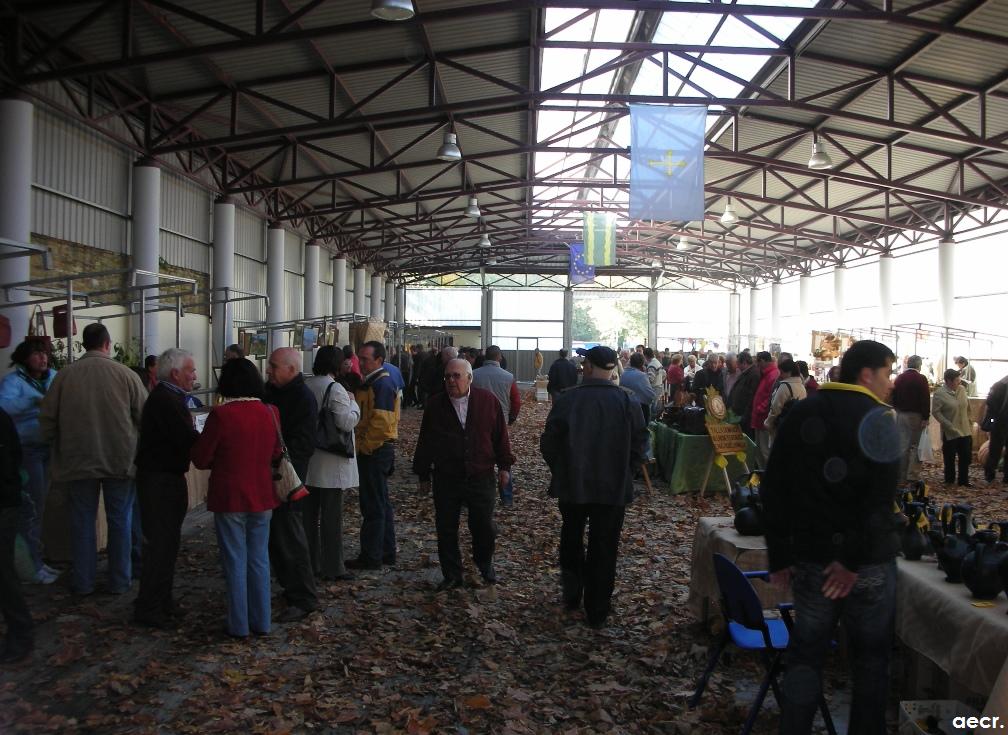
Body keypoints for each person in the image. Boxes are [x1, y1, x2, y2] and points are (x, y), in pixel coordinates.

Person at [762, 340, 901, 735]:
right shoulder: (880, 420)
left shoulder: (804, 411)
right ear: (867, 374)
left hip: (812, 558)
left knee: (805, 657)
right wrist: (852, 561)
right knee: (871, 664)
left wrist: (780, 553)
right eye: (888, 373)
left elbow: (773, 488)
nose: (890, 384)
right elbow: (877, 503)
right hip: (867, 567)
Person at [540, 346, 648, 629]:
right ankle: (598, 608)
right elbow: (641, 443)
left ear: (587, 366)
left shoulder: (568, 399)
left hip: (574, 486)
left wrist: (561, 470)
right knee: (605, 546)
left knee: (572, 538)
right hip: (612, 490)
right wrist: (627, 471)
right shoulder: (628, 401)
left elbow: (549, 442)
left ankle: (573, 595)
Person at [39, 323, 146, 596]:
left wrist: (51, 449)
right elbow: (145, 417)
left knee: (82, 521)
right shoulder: (125, 375)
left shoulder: (64, 377)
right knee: (120, 520)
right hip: (119, 460)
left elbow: (47, 421)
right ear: (108, 344)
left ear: (84, 344)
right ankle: (120, 580)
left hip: (77, 461)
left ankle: (83, 581)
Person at [191, 358, 282, 639]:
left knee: (235, 560)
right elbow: (277, 453)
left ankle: (239, 624)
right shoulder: (271, 412)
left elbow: (201, 458)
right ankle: (262, 621)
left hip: (230, 495)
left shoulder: (221, 415)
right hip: (263, 494)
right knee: (259, 559)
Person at [413, 358, 514, 590]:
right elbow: (425, 440)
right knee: (446, 527)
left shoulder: (487, 402)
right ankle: (452, 574)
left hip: (481, 474)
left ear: (469, 378)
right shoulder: (435, 405)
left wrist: (505, 467)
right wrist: (423, 474)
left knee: (483, 526)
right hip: (447, 477)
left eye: (456, 376)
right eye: (447, 376)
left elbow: (500, 436)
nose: (451, 381)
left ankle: (484, 562)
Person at [132, 348, 199, 629]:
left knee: (167, 544)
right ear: (175, 373)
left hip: (163, 477)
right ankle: (149, 607)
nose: (194, 376)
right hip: (159, 481)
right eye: (191, 371)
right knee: (160, 545)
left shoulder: (168, 398)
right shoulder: (166, 400)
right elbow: (186, 438)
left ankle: (162, 599)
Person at [263, 347, 319, 621]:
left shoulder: (302, 398)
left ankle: (304, 597)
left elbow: (304, 443)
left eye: (274, 366)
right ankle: (290, 588)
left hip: (289, 475)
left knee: (291, 535)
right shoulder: (273, 391)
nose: (269, 371)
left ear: (292, 370)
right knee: (277, 536)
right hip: (273, 473)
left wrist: (278, 459)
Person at [0, 338, 59, 584]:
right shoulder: (14, 382)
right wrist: (33, 402)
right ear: (25, 357)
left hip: (50, 448)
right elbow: (4, 406)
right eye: (37, 354)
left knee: (41, 506)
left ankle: (39, 560)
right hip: (27, 450)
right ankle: (30, 568)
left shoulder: (54, 377)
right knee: (31, 509)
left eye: (45, 353)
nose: (42, 358)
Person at [303, 346, 360, 582]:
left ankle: (309, 562)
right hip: (332, 461)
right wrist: (355, 405)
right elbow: (346, 422)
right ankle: (333, 566)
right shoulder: (335, 388)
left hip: (310, 461)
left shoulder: (307, 385)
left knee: (308, 518)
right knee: (331, 519)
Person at [348, 341, 400, 570]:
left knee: (373, 505)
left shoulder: (382, 384)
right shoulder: (374, 383)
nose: (361, 362)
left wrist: (363, 447)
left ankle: (372, 556)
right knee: (380, 502)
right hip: (376, 449)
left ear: (379, 360)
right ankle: (385, 551)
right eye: (360, 358)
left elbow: (381, 423)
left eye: (366, 359)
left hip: (375, 451)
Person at [0, 406, 33, 664]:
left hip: (3, 502)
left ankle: (20, 633)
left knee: (3, 572)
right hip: (7, 499)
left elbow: (11, 460)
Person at [472, 345, 521, 507]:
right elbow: (516, 400)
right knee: (503, 456)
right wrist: (511, 417)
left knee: (477, 456)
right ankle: (506, 497)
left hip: (476, 421)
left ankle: (473, 494)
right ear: (499, 357)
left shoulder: (474, 375)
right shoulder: (508, 377)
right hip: (502, 421)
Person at [891, 355, 931, 486]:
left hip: (901, 415)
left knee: (903, 446)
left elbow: (893, 396)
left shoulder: (899, 378)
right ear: (919, 366)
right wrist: (925, 417)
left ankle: (901, 475)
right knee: (915, 446)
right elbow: (925, 399)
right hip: (916, 416)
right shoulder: (921, 379)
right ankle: (912, 475)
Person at [932, 368, 973, 487]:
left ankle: (963, 480)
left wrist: (970, 421)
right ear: (948, 381)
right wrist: (946, 424)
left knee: (965, 456)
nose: (959, 383)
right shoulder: (940, 394)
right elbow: (936, 412)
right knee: (949, 456)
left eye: (959, 380)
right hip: (950, 431)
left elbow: (968, 407)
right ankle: (949, 479)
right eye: (956, 380)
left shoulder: (962, 390)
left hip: (965, 430)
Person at [765, 358, 807, 443]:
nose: (780, 375)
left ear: (789, 372)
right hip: (795, 426)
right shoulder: (802, 386)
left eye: (782, 372)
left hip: (781, 427)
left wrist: (768, 424)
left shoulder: (784, 386)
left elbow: (775, 408)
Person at [750, 351, 780, 467]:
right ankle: (761, 478)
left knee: (764, 451)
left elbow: (770, 397)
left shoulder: (772, 375)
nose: (757, 365)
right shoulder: (767, 374)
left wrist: (759, 409)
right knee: (759, 451)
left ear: (762, 361)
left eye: (758, 362)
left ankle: (767, 478)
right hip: (759, 418)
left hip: (764, 419)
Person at [983, 374, 1008, 485]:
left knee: (995, 449)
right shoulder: (1000, 386)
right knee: (995, 448)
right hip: (1000, 421)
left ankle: (992, 474)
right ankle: (992, 474)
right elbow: (991, 403)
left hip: (1000, 420)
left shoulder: (999, 385)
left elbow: (990, 402)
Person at [729, 351, 760, 440]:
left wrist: (745, 416)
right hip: (740, 414)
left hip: (745, 417)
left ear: (745, 362)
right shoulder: (747, 373)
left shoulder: (753, 374)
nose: (737, 366)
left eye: (738, 363)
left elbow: (751, 397)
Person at [619, 353, 656, 425]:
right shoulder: (642, 376)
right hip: (640, 408)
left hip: (626, 407)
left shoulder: (623, 374)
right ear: (642, 363)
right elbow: (649, 395)